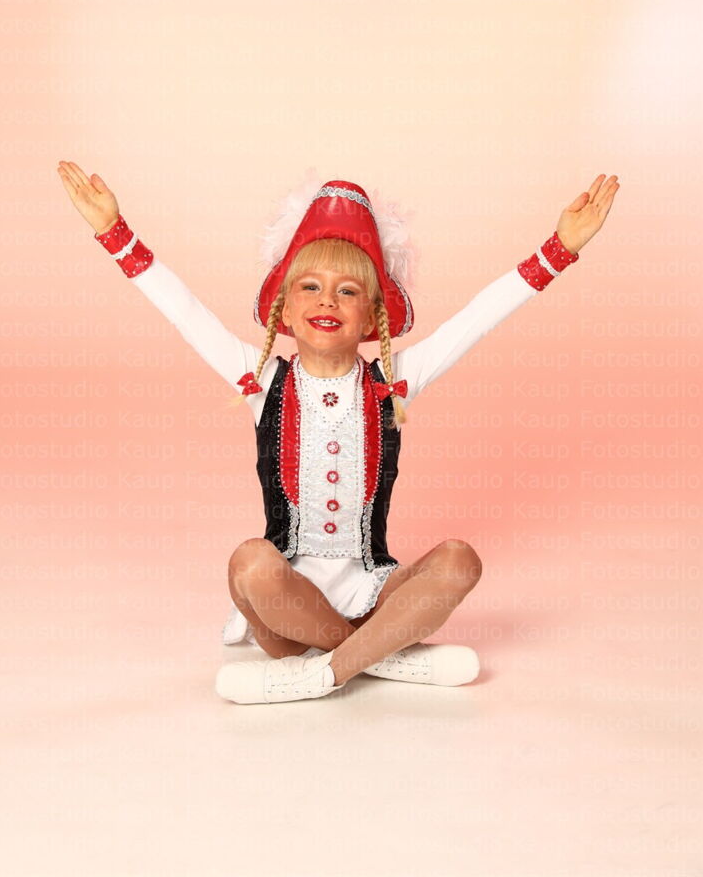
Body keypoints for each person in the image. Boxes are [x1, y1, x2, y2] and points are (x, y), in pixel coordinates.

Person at [56, 163, 619, 704]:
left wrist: (559, 249)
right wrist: (115, 232)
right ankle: (383, 655)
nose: (327, 300)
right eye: (310, 286)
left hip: (374, 592)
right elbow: (185, 311)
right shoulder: (261, 380)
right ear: (284, 309)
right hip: (286, 601)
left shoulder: (393, 383)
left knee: (460, 560)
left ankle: (326, 672)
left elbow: (475, 319)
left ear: (372, 316)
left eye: (348, 291)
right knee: (250, 563)